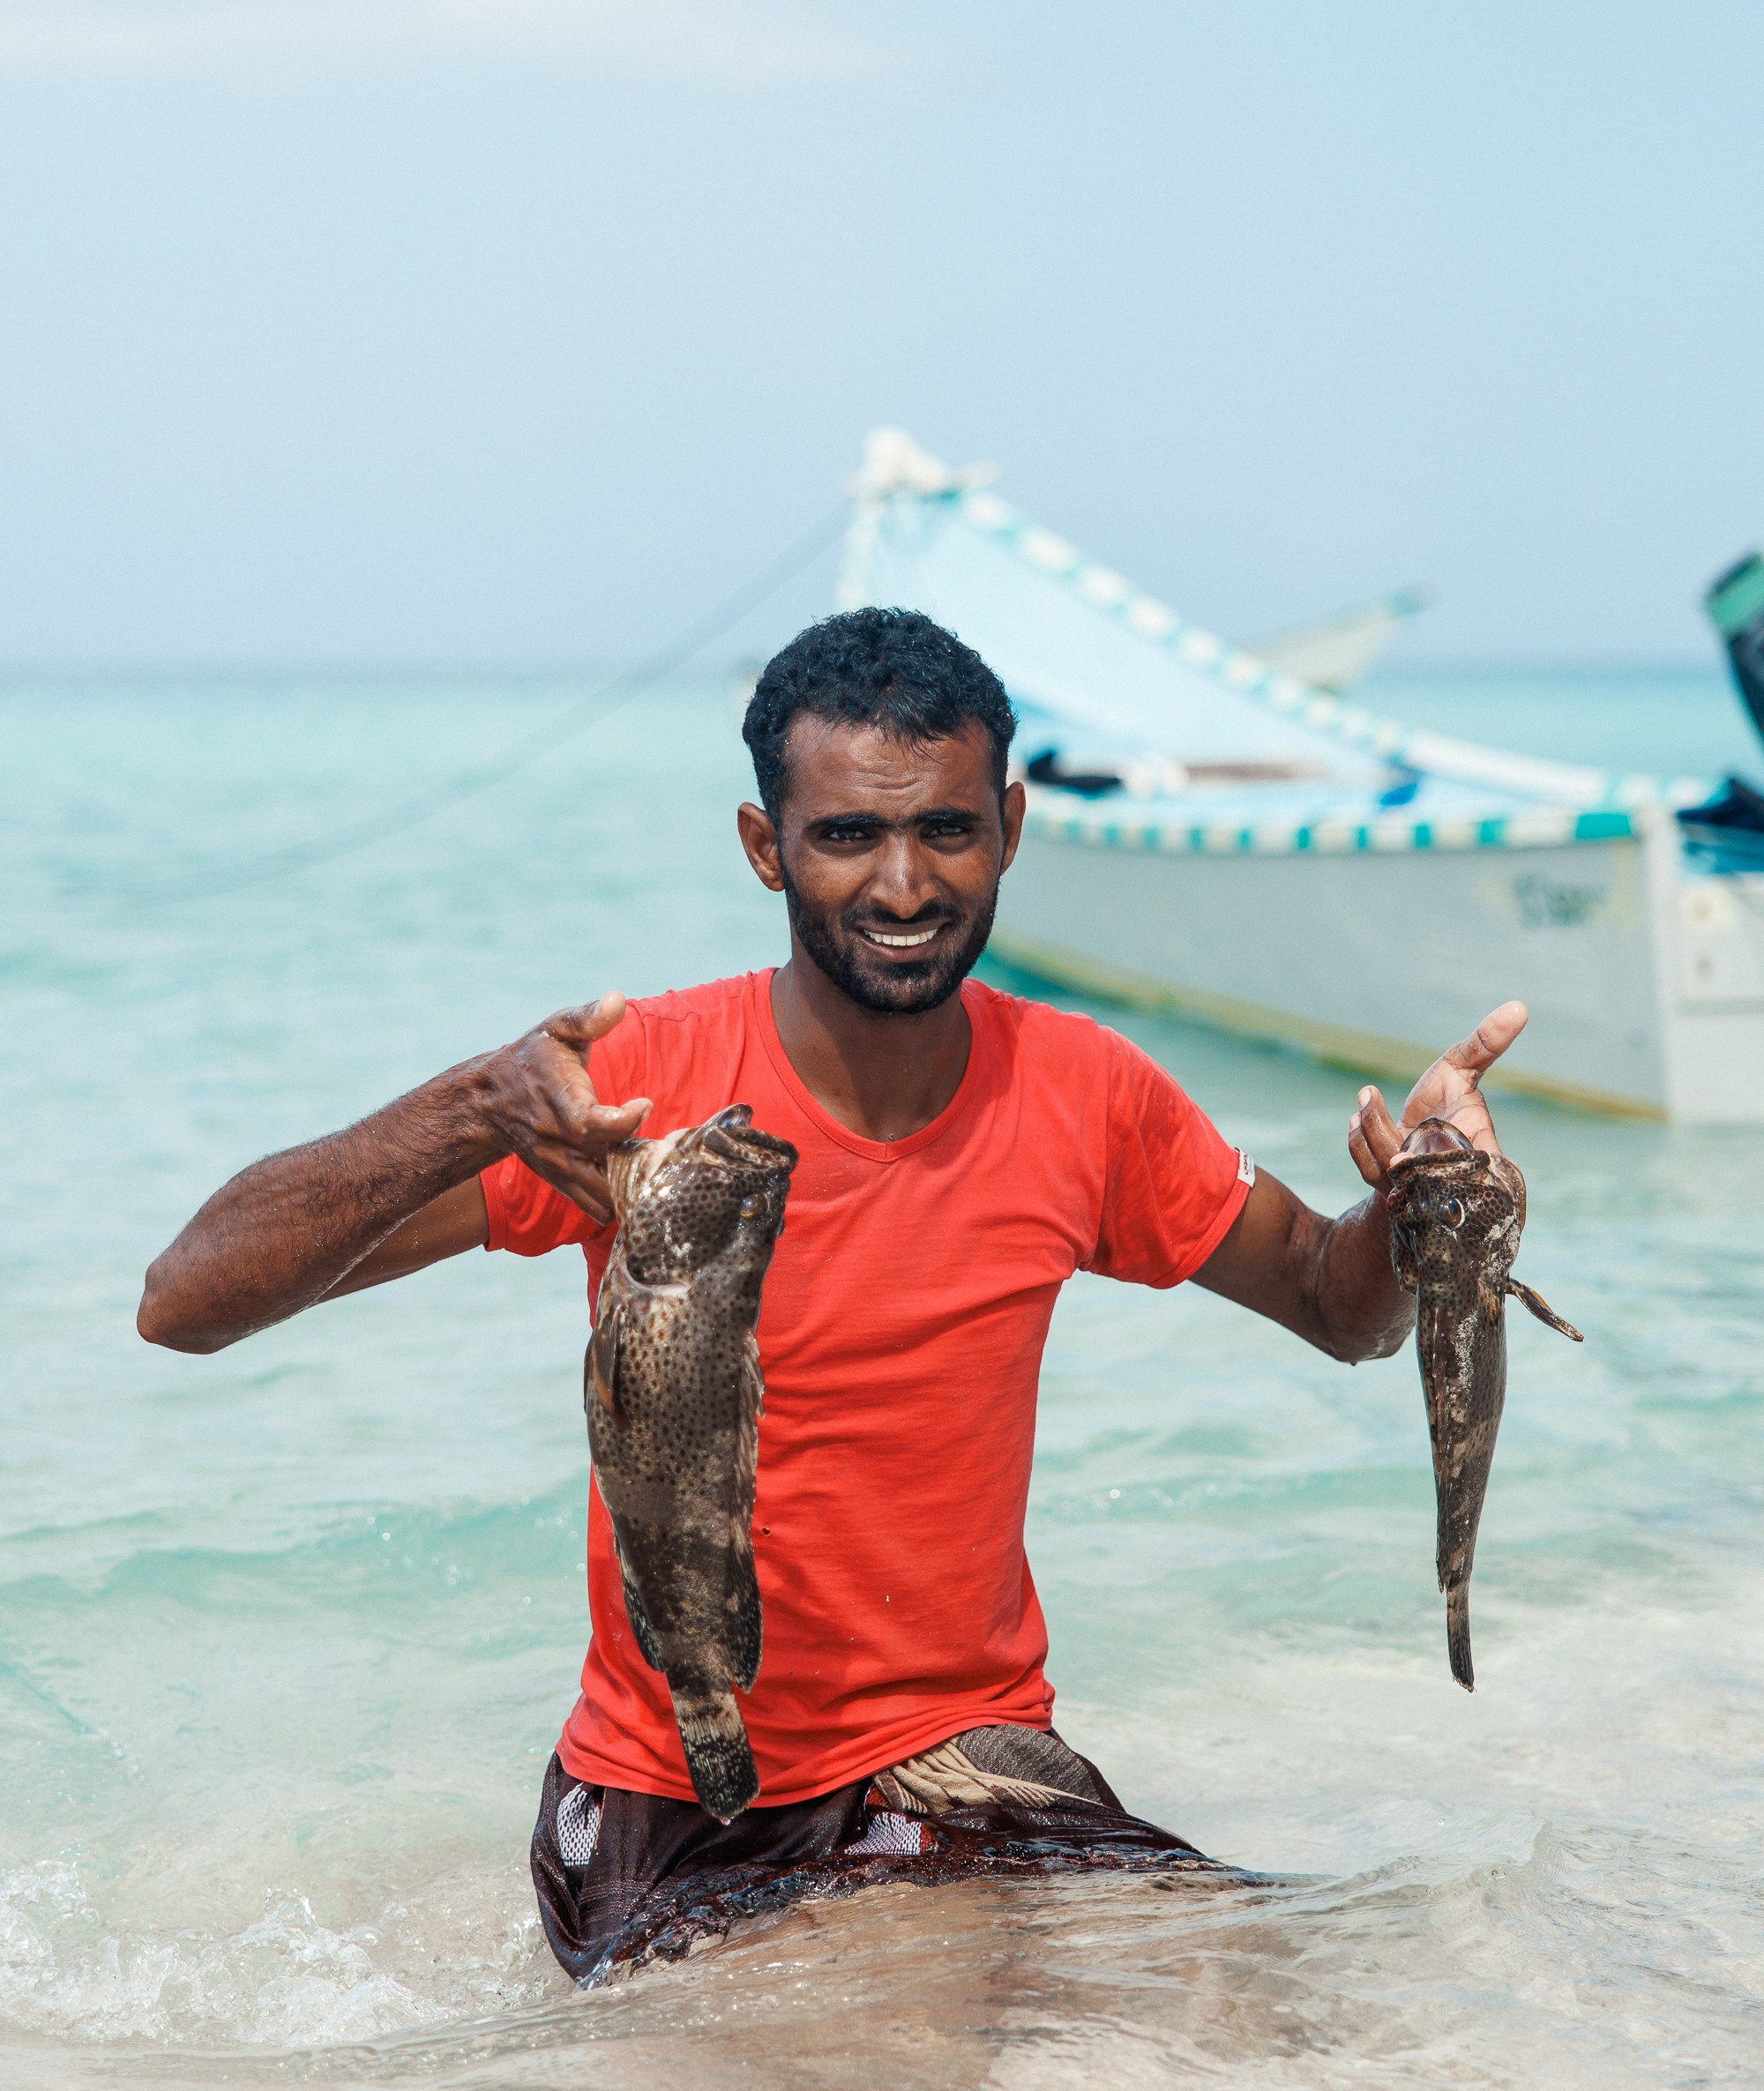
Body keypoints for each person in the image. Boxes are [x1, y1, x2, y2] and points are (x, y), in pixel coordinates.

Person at [138, 609, 1529, 1980]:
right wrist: (469, 1109)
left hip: (966, 1763)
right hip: (671, 1800)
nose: (906, 885)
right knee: (851, 2078)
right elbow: (187, 1300)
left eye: (947, 829)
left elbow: (1337, 1306)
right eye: (848, 835)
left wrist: (1419, 1209)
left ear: (1013, 829)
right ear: (766, 849)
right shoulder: (631, 1098)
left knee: (1282, 1991)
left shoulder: (1086, 1089)